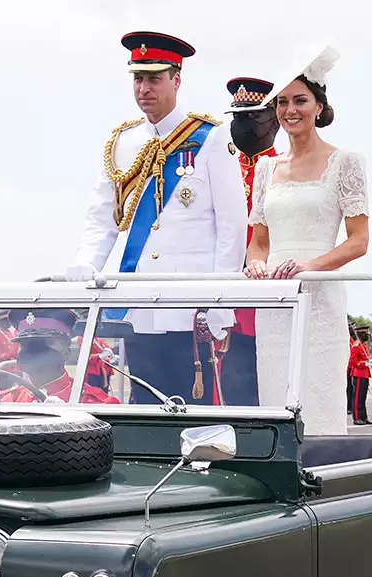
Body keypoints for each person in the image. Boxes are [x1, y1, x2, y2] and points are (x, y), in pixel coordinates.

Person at [68, 32, 244, 405]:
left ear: (176, 80)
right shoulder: (122, 142)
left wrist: (220, 300)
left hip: (189, 306)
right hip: (140, 302)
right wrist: (86, 263)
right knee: (144, 403)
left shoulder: (211, 138)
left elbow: (231, 227)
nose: (144, 88)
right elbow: (102, 216)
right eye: (138, 78)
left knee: (194, 410)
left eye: (154, 78)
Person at [243, 46, 368, 434]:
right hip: (275, 298)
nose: (289, 110)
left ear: (319, 106)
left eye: (299, 100)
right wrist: (256, 264)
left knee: (319, 394)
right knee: (276, 393)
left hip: (320, 295)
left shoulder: (346, 162)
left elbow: (358, 241)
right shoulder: (265, 168)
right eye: (282, 102)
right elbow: (258, 242)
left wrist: (310, 266)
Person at [218, 75, 280, 406]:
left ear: (273, 120)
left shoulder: (283, 170)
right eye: (238, 117)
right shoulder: (222, 169)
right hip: (228, 294)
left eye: (252, 116)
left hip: (267, 294)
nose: (243, 125)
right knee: (230, 387)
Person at [0, 309, 119, 404]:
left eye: (46, 343)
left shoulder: (94, 403)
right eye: (26, 344)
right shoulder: (9, 401)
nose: (34, 351)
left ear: (66, 353)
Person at [348, 324, 372, 425]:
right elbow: (352, 362)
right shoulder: (356, 346)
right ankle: (357, 417)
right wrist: (364, 363)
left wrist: (369, 363)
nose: (367, 335)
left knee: (363, 397)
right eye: (365, 333)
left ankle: (363, 417)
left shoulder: (364, 346)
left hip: (365, 374)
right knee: (357, 397)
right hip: (358, 374)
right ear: (360, 334)